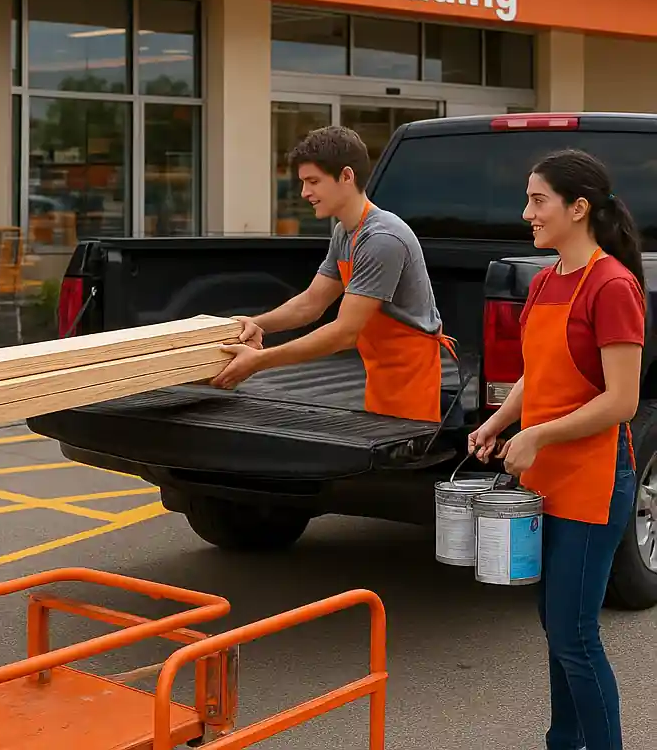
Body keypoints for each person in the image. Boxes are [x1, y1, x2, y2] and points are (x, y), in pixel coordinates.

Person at [469, 149, 643, 750]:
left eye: (538, 200)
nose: (527, 213)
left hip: (595, 477)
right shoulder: (545, 280)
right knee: (557, 624)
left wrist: (539, 434)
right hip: (546, 476)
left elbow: (622, 401)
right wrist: (500, 422)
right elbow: (538, 373)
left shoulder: (612, 285)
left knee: (574, 633)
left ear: (579, 208)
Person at [212, 125, 454, 423]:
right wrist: (255, 324)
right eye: (303, 182)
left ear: (346, 176)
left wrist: (259, 361)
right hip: (382, 375)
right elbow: (311, 303)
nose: (304, 193)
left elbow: (344, 333)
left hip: (411, 382)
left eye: (313, 181)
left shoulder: (382, 239)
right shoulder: (345, 232)